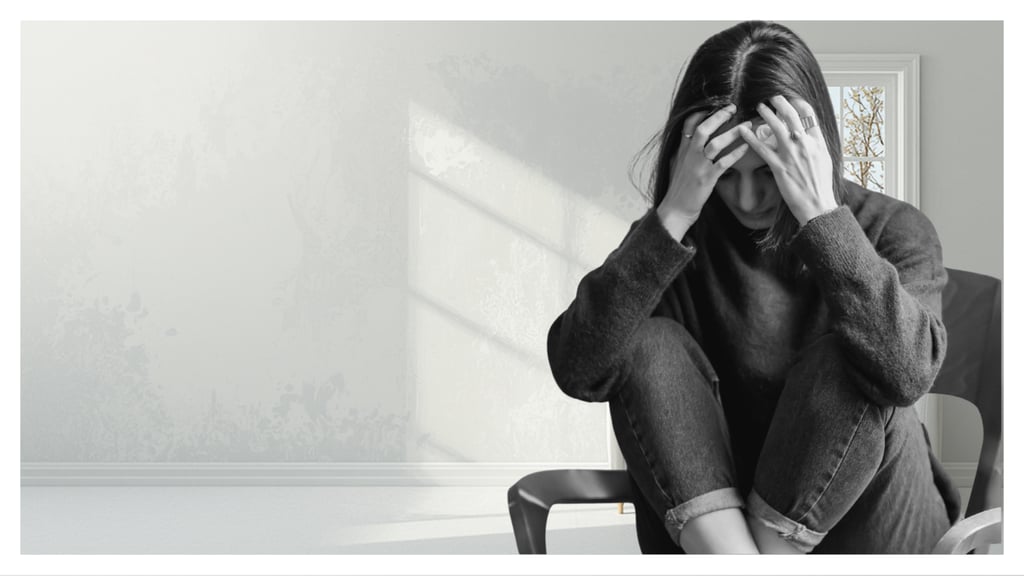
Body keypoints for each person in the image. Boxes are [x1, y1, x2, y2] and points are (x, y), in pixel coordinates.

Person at [545, 20, 960, 554]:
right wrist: (672, 214)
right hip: (723, 532)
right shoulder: (676, 239)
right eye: (725, 173)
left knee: (851, 358)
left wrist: (821, 217)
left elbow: (906, 375)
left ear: (811, 151)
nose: (746, 198)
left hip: (874, 527)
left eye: (767, 172)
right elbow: (579, 370)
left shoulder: (894, 228)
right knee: (647, 344)